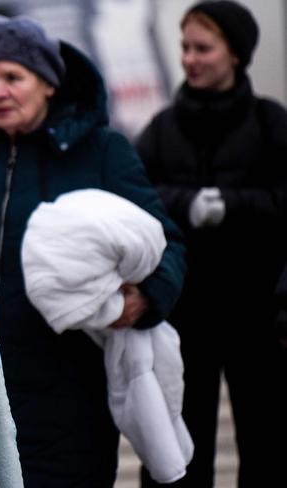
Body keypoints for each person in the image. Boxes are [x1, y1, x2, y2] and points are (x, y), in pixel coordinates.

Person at [0, 15, 186, 487]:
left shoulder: (101, 151)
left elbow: (166, 242)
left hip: (71, 391)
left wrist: (144, 300)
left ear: (48, 83)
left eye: (13, 77)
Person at [134, 1, 287, 486]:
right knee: (180, 443)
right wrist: (188, 200)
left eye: (203, 48)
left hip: (260, 316)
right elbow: (135, 197)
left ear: (236, 54)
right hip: (184, 316)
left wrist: (232, 204)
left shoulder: (270, 124)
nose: (190, 59)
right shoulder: (161, 129)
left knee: (267, 442)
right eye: (185, 48)